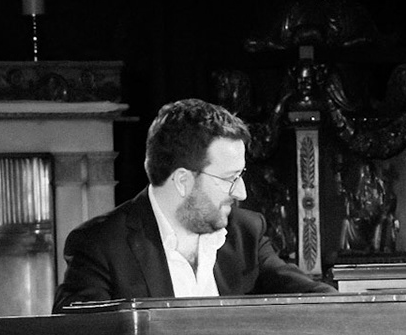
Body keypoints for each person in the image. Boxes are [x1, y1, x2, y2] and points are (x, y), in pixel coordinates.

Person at [53, 98, 335, 309]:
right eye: (229, 178)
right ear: (183, 181)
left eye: (241, 175)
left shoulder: (245, 233)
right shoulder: (99, 245)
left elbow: (310, 295)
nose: (242, 192)